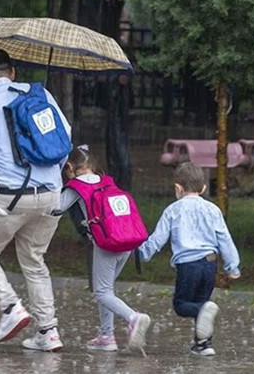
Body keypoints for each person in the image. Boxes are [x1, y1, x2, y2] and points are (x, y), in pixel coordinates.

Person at [0, 48, 71, 352]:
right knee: (35, 261)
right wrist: (50, 176)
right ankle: (48, 332)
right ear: (13, 72)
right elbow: (65, 139)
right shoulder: (41, 96)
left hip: (9, 196)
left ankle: (11, 308)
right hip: (52, 194)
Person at [138, 162, 241, 356]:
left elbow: (158, 239)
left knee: (182, 304)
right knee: (202, 303)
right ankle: (204, 344)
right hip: (210, 263)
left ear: (178, 188)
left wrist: (142, 253)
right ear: (203, 188)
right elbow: (225, 239)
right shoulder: (213, 210)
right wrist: (232, 267)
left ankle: (203, 317)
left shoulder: (173, 210)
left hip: (188, 265)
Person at [60, 145, 152, 352]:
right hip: (125, 242)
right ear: (93, 166)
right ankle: (106, 336)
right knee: (107, 290)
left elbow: (55, 207)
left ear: (69, 167)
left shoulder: (77, 186)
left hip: (105, 245)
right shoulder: (107, 182)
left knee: (101, 292)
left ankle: (134, 318)